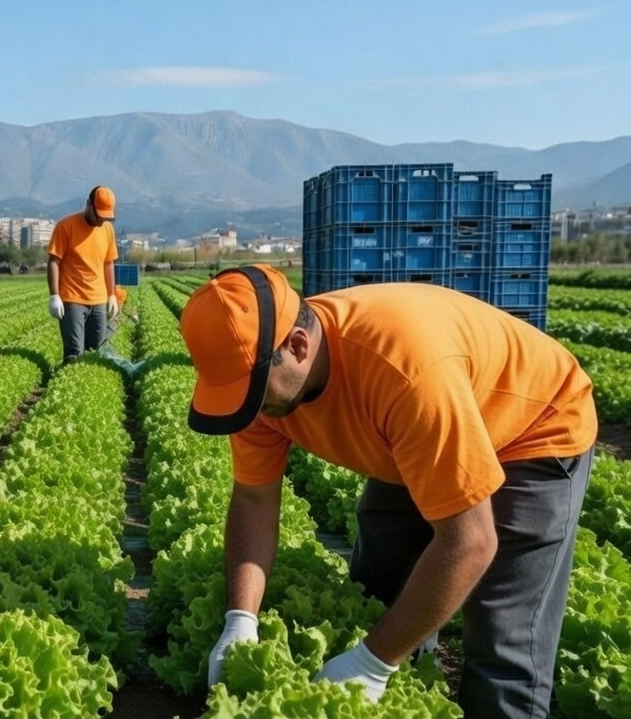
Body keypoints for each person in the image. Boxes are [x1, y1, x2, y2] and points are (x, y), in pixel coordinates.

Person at [181, 265, 595, 719]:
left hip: (532, 427)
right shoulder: (261, 389)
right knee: (376, 591)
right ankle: (409, 677)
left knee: (503, 640)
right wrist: (240, 620)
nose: (250, 409)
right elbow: (255, 499)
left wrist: (372, 663)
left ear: (298, 346)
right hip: (416, 434)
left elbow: (470, 542)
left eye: (252, 392)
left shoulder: (402, 372)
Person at [47, 185, 120, 361]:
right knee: (74, 352)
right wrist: (54, 295)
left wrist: (111, 295)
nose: (101, 221)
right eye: (98, 215)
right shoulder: (66, 226)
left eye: (105, 217)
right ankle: (70, 383)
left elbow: (108, 263)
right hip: (72, 299)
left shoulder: (107, 229)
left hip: (99, 300)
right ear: (88, 204)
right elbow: (53, 261)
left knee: (97, 352)